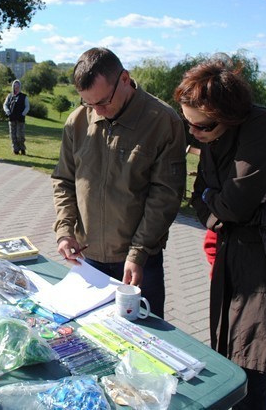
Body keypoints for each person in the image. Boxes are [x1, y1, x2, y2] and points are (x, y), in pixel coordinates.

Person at [174, 55, 266, 409]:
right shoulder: (215, 136)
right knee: (245, 358)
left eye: (201, 127)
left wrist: (217, 203)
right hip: (238, 263)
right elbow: (201, 199)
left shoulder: (261, 127)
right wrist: (215, 202)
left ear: (227, 116)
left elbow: (233, 205)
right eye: (188, 126)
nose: (194, 135)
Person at [52, 47, 186, 318]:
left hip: (139, 263)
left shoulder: (163, 121)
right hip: (88, 260)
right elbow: (64, 180)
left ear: (125, 79)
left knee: (145, 343)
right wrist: (65, 230)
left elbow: (166, 196)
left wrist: (138, 252)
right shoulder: (78, 121)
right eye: (89, 104)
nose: (97, 111)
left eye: (103, 101)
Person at [3, 79, 30, 155]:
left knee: (20, 135)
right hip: (12, 118)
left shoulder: (24, 97)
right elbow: (5, 105)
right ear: (13, 87)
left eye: (18, 86)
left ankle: (22, 149)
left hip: (20, 119)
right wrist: (8, 112)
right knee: (13, 135)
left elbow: (27, 107)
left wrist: (23, 114)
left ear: (20, 87)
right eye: (15, 86)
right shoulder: (10, 96)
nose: (16, 88)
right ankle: (15, 149)